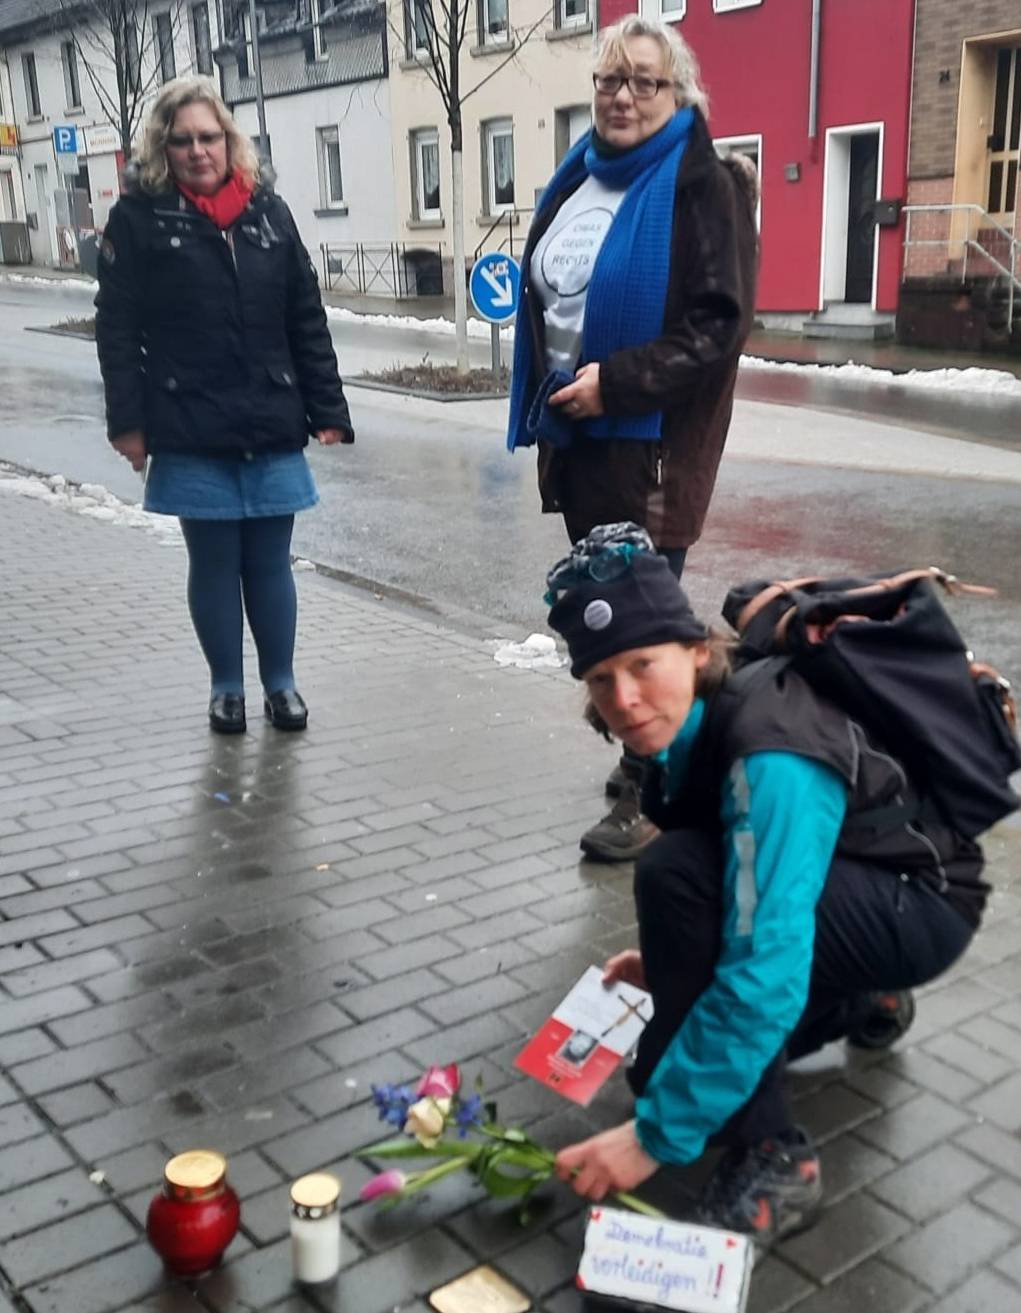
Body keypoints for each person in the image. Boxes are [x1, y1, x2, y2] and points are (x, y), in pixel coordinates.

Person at [544, 526, 984, 1247]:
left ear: (694, 650)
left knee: (674, 883)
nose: (623, 697)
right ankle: (861, 998)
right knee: (674, 1044)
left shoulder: (770, 753)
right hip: (876, 881)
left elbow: (764, 963)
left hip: (922, 902)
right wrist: (668, 968)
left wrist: (653, 1137)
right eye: (599, 678)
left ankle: (777, 1157)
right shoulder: (693, 721)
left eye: (642, 664)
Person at [507, 15, 758, 862]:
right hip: (582, 439)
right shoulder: (581, 178)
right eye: (609, 80)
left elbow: (717, 326)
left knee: (639, 631)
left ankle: (655, 791)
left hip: (650, 446)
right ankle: (651, 767)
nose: (622, 96)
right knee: (607, 617)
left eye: (643, 80)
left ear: (675, 93)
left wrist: (613, 382)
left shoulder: (702, 184)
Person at [96, 77, 353, 735]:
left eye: (208, 137)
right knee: (213, 563)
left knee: (269, 562)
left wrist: (327, 406)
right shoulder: (137, 220)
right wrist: (128, 422)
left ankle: (282, 685)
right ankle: (227, 689)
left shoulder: (270, 213)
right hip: (187, 424)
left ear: (228, 142)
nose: (197, 151)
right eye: (181, 140)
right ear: (163, 147)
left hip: (270, 417)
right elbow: (117, 329)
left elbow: (305, 316)